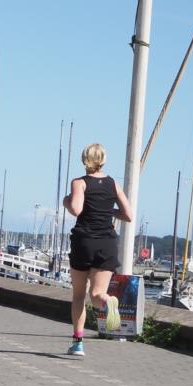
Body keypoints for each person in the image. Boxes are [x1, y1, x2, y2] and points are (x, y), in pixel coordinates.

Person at [64, 143, 133, 356]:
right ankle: (108, 301)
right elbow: (128, 215)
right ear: (103, 159)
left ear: (84, 159)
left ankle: (78, 343)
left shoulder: (80, 183)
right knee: (97, 294)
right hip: (107, 242)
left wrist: (66, 201)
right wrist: (108, 211)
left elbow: (76, 209)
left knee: (78, 295)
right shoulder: (113, 184)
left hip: (85, 240)